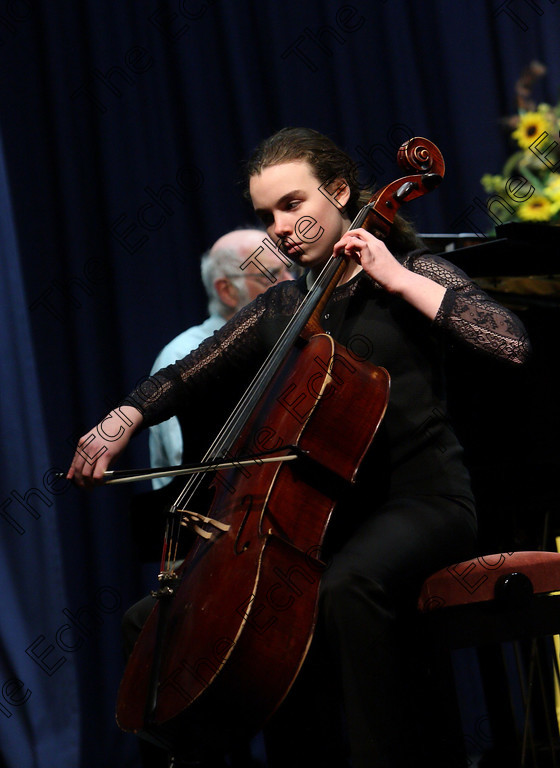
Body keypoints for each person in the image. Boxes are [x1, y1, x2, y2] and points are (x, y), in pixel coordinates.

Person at [68, 127, 530, 768]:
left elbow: (509, 342)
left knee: (346, 589)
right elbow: (186, 373)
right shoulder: (284, 306)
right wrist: (123, 418)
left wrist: (397, 277)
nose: (281, 227)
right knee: (154, 619)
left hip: (421, 501)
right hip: (323, 522)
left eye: (292, 204)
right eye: (266, 216)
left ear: (339, 192)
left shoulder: (413, 272)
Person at [149, 228, 293, 490]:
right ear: (226, 291)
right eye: (272, 275)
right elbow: (191, 465)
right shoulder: (182, 356)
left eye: (289, 269)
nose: (288, 282)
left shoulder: (286, 343)